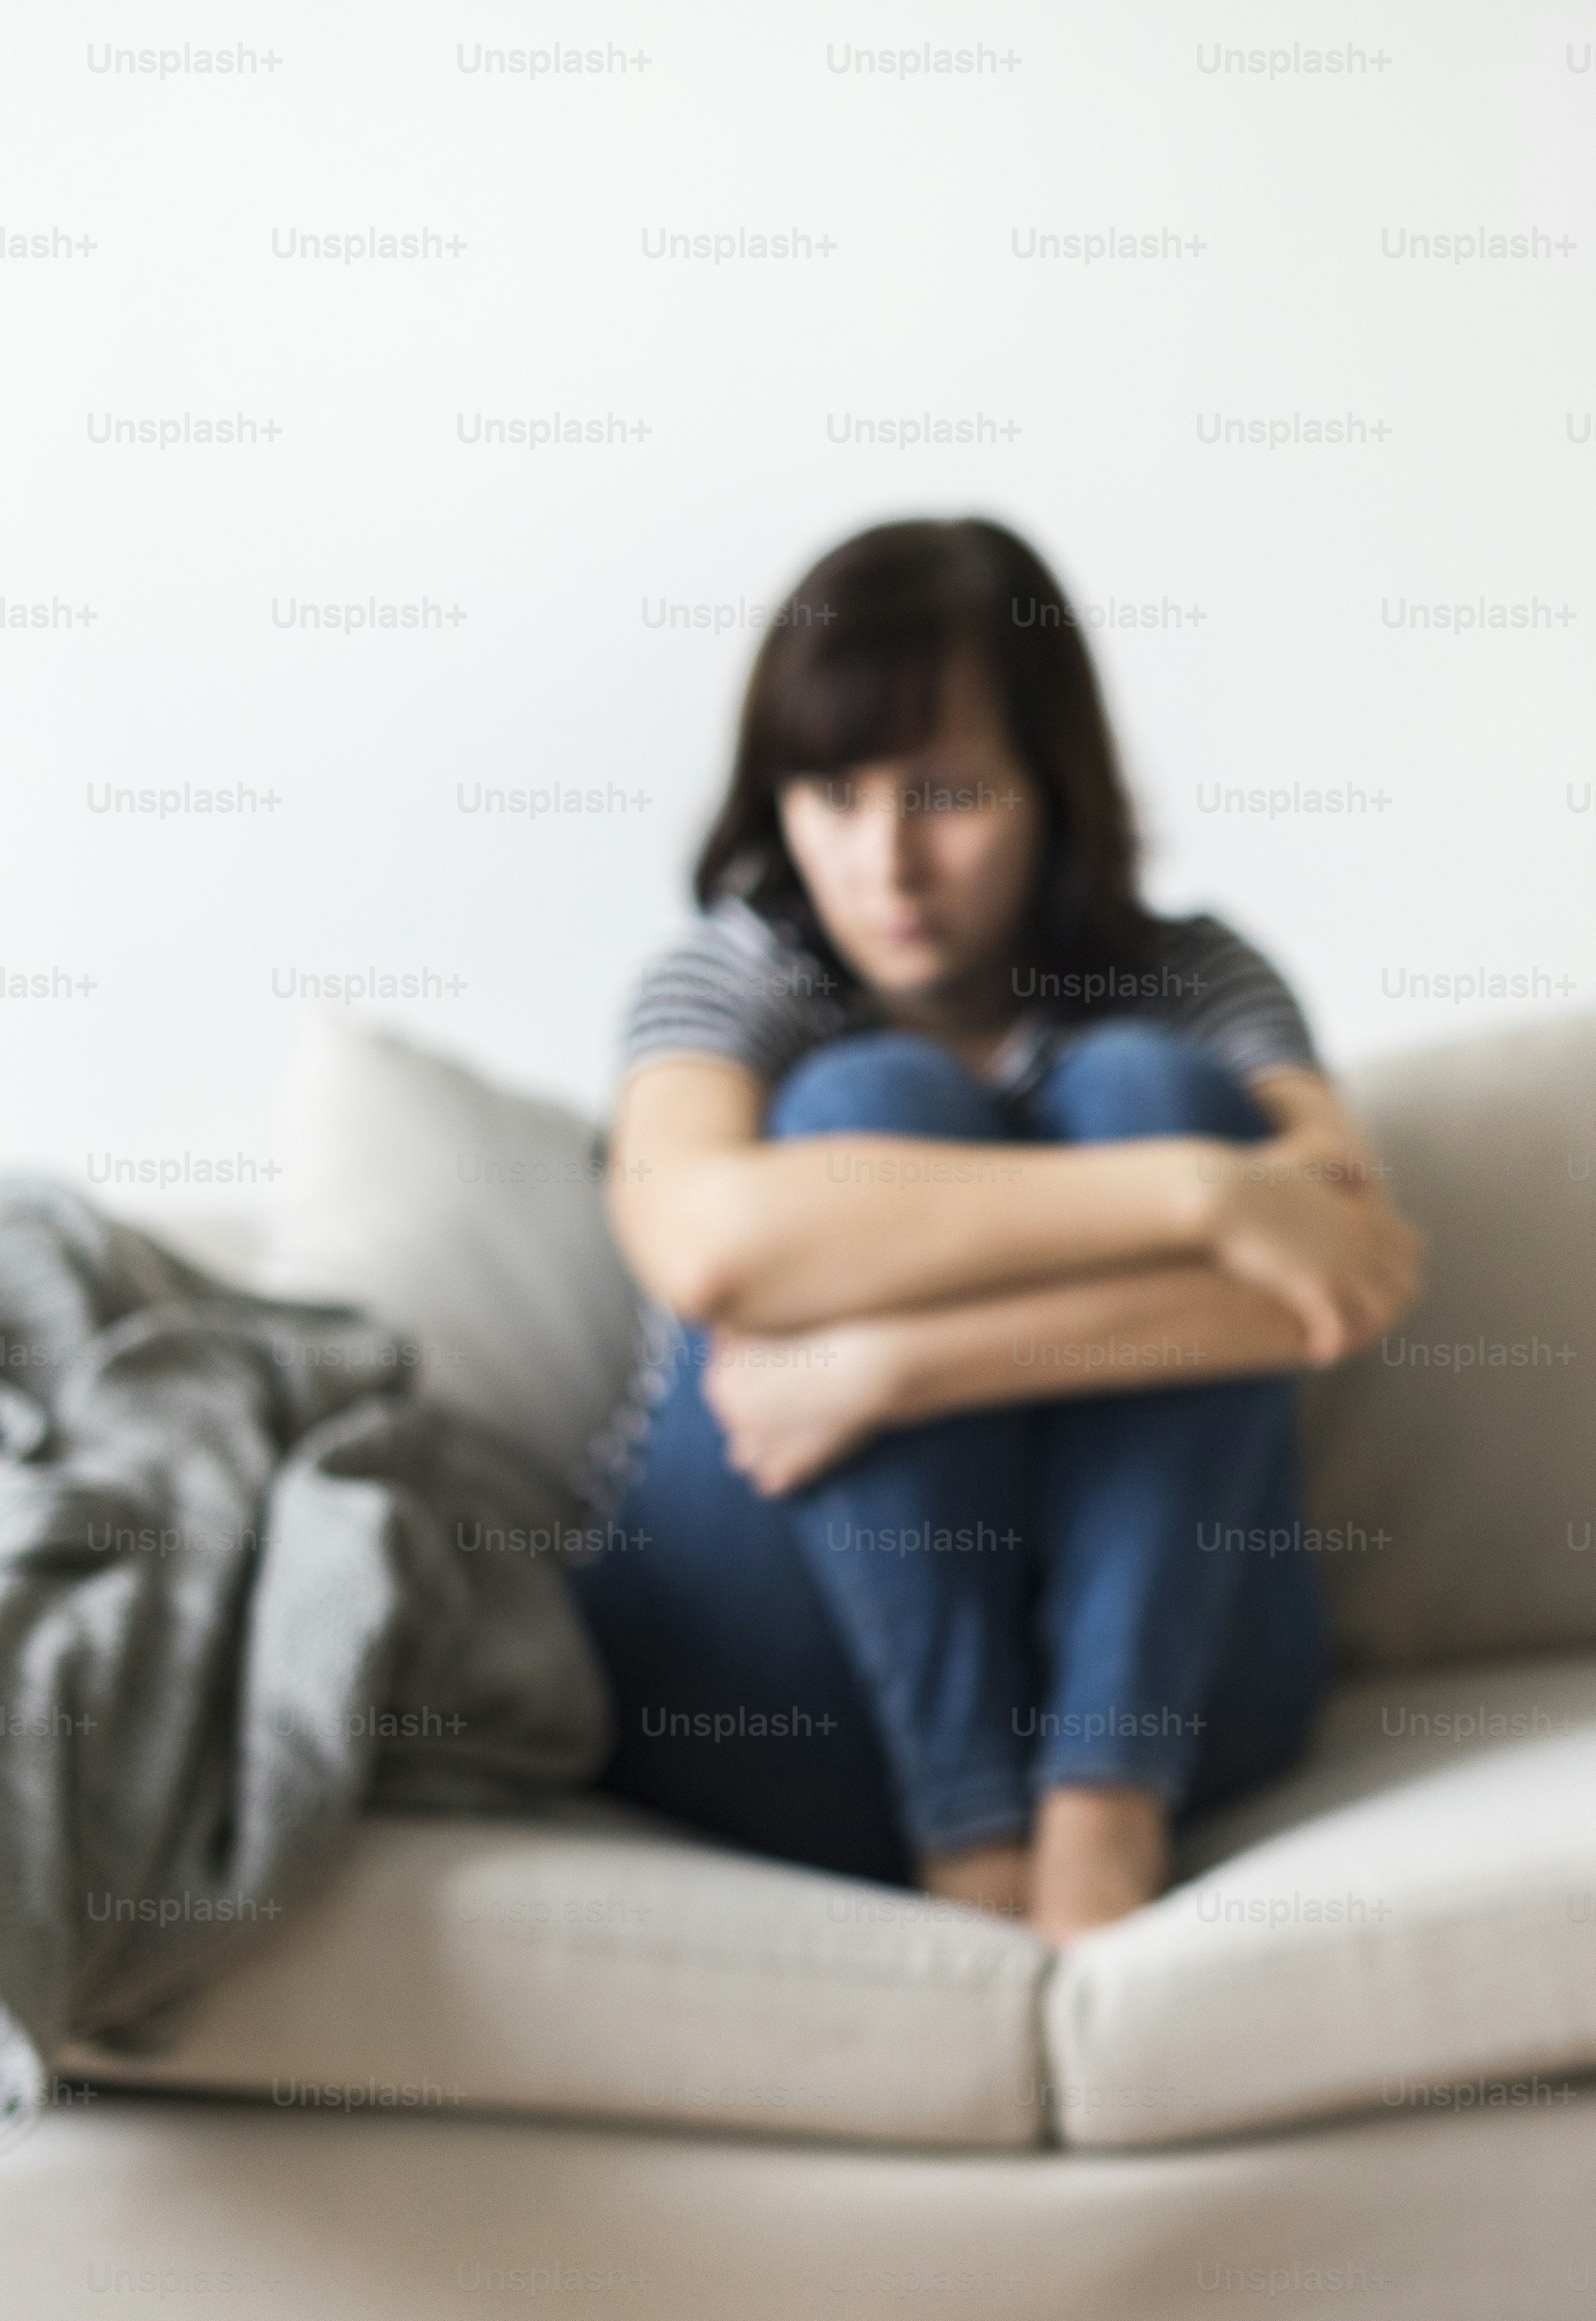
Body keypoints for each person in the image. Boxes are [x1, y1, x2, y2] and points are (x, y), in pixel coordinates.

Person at [576, 517, 1422, 1946]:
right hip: (775, 1685)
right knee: (870, 1095)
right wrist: (1198, 1199)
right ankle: (973, 1848)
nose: (886, 863)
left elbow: (1345, 1276)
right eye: (832, 795)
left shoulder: (1199, 981)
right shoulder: (732, 982)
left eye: (946, 792)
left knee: (1156, 1083)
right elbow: (707, 1247)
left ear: (1052, 782)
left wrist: (886, 1365)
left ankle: (1098, 1825)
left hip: (1175, 1696)